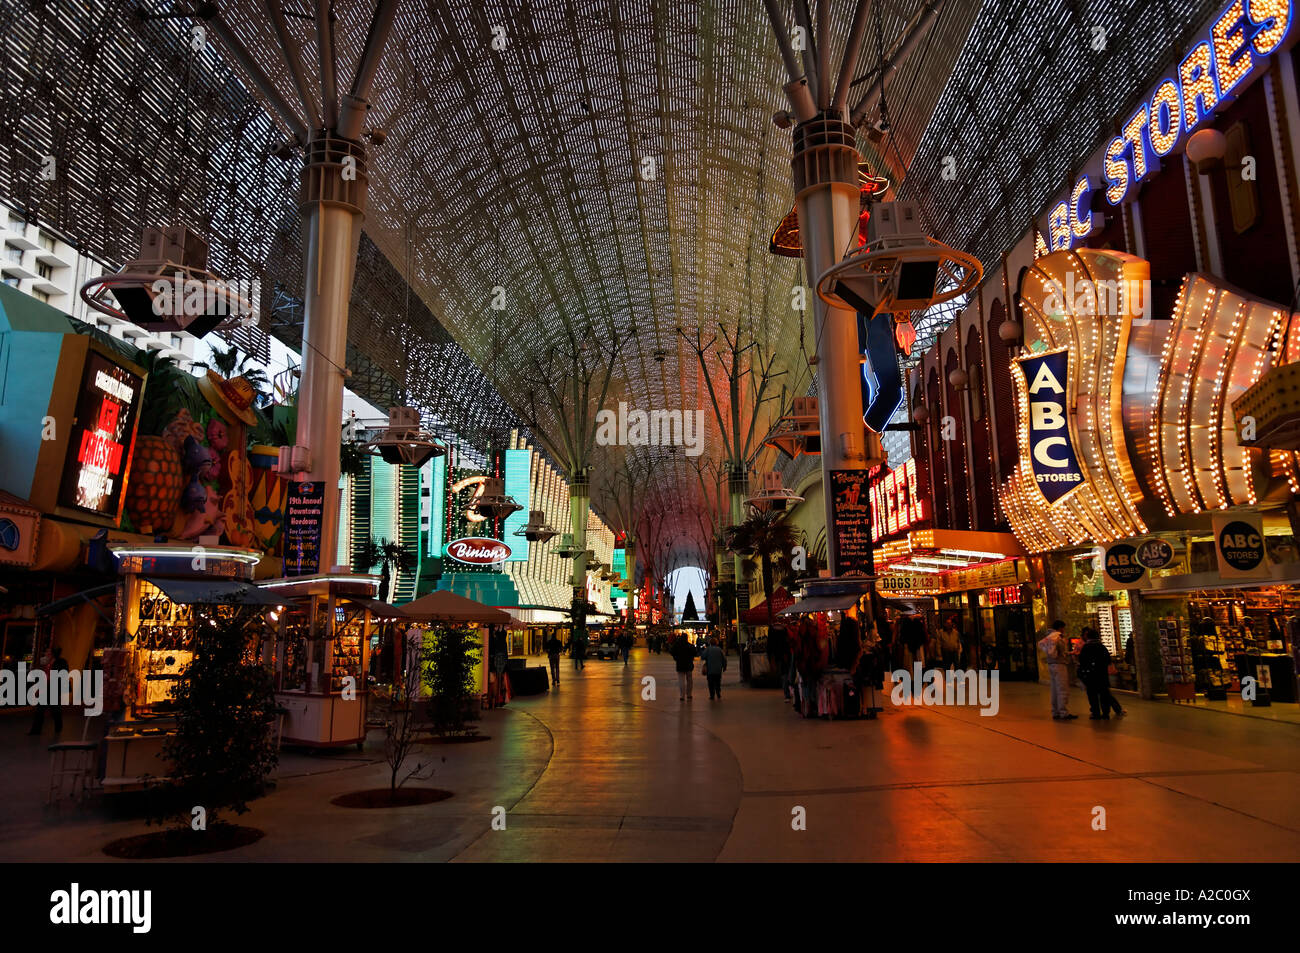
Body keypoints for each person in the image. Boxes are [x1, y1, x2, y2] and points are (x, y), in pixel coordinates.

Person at [1077, 628, 1125, 719]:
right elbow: (1107, 660)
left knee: (1092, 695)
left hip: (1090, 675)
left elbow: (1082, 661)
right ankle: (1106, 713)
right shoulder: (1101, 647)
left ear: (1088, 637)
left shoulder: (1086, 648)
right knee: (1104, 694)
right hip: (1102, 674)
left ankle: (1096, 713)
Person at [1038, 620, 1077, 720]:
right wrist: (1069, 654)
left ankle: (1055, 711)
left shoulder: (1049, 637)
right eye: (1063, 628)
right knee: (1062, 688)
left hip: (1051, 664)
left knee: (1054, 689)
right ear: (1060, 628)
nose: (1064, 630)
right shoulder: (1058, 638)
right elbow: (1061, 652)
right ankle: (1063, 712)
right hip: (1059, 664)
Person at [28, 645, 67, 736]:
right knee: (40, 710)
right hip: (45, 688)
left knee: (55, 710)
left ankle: (58, 727)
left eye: (48, 652)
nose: (46, 654)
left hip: (53, 688)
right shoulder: (47, 663)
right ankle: (35, 730)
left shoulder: (61, 662)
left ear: (53, 654)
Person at [671, 632, 697, 700]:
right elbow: (695, 653)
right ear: (687, 638)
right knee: (689, 680)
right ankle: (689, 694)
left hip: (680, 665)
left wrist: (676, 658)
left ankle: (682, 696)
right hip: (689, 665)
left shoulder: (677, 645)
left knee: (681, 681)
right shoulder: (690, 645)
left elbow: (672, 652)